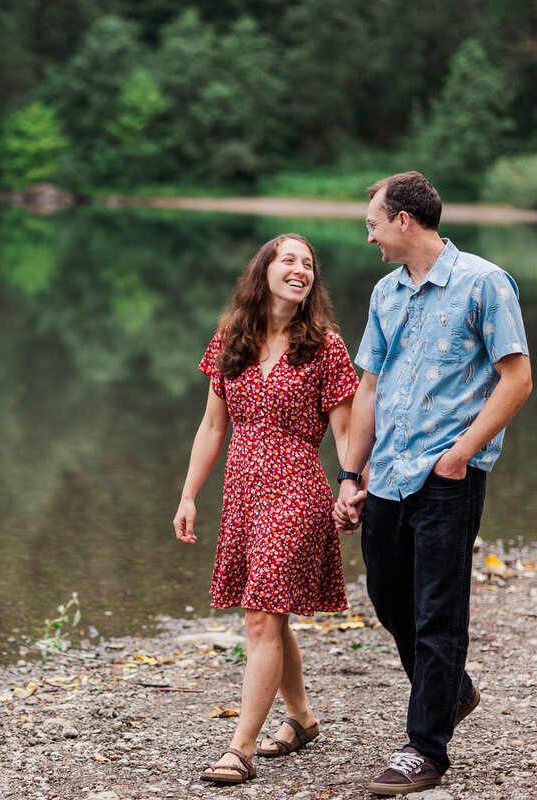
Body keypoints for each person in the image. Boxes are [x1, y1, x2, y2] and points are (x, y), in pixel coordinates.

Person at [333, 172, 532, 795]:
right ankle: (452, 691)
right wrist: (350, 472)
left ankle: (424, 749)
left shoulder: (483, 282)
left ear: (404, 221)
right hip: (387, 474)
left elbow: (517, 379)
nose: (368, 236)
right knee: (391, 598)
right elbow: (369, 386)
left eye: (372, 223)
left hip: (448, 476)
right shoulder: (385, 294)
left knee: (438, 611)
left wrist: (460, 455)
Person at [174, 233, 359, 785]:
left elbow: (347, 432)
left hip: (297, 488)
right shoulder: (231, 337)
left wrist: (352, 487)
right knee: (268, 615)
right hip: (242, 494)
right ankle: (301, 719)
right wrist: (187, 495)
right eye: (288, 260)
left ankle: (241, 748)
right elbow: (212, 426)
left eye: (308, 264)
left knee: (260, 617)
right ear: (264, 271)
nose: (300, 269)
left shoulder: (326, 345)